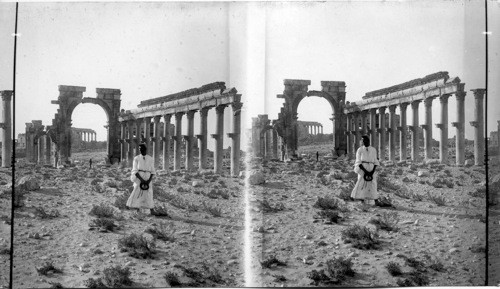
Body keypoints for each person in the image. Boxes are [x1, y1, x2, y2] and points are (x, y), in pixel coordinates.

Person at [126, 143, 156, 215]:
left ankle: (151, 210)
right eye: (139, 149)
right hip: (139, 176)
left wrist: (148, 181)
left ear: (145, 149)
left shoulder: (150, 158)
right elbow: (135, 170)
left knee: (149, 192)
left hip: (148, 176)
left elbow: (152, 171)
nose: (140, 150)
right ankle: (137, 209)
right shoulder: (136, 158)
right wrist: (141, 180)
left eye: (141, 148)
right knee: (137, 191)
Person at [351, 135, 379, 206]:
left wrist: (372, 171)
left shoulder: (373, 149)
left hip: (371, 167)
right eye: (362, 140)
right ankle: (361, 199)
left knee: (373, 183)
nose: (363, 142)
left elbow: (375, 161)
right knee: (361, 183)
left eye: (365, 140)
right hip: (362, 168)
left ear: (368, 141)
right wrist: (366, 171)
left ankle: (375, 200)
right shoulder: (360, 150)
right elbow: (358, 161)